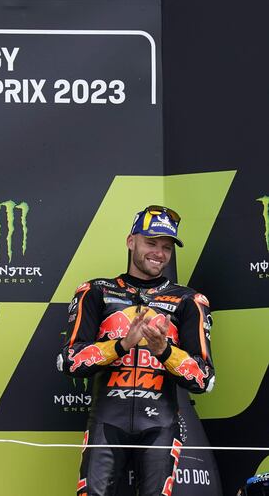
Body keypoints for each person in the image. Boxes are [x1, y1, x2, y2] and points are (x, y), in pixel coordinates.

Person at [57, 205, 215, 496]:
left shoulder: (189, 300)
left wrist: (164, 351)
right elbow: (69, 361)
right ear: (131, 242)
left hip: (161, 426)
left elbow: (204, 379)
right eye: (151, 243)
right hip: (107, 422)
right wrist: (122, 345)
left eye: (166, 247)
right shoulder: (96, 291)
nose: (159, 253)